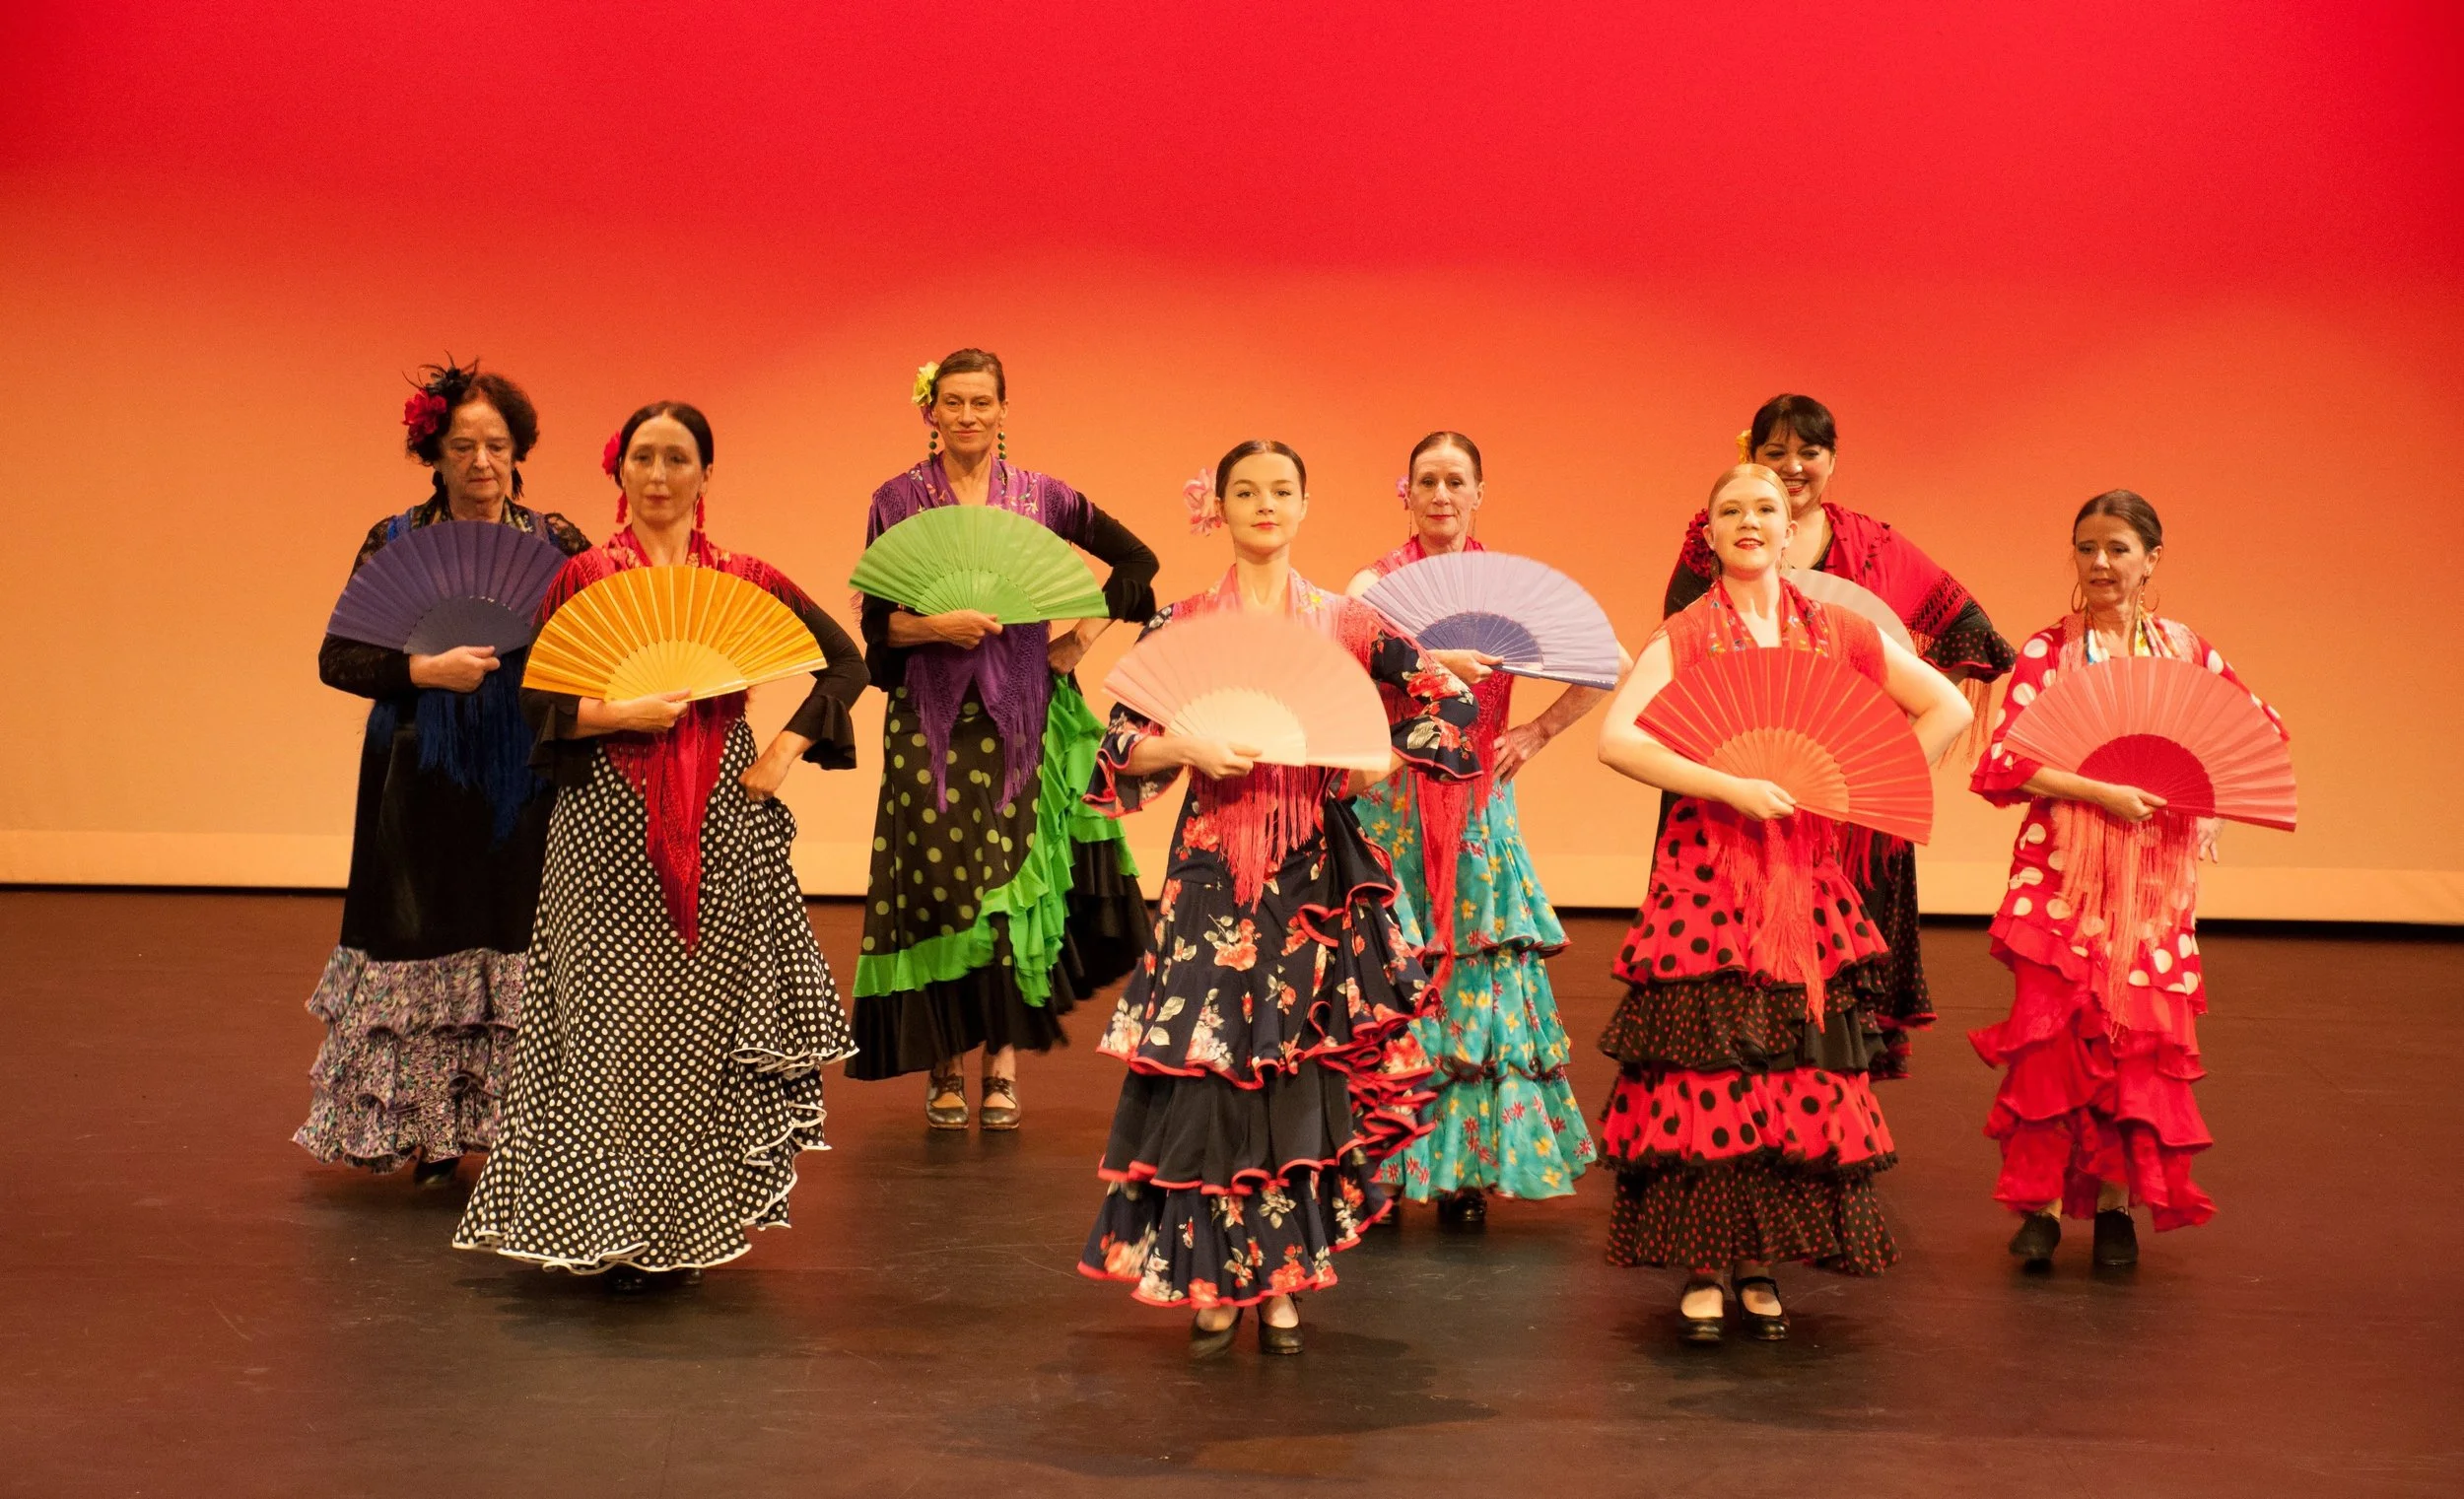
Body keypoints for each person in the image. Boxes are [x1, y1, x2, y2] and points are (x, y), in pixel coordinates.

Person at [452, 401, 867, 1290]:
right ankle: (609, 1224)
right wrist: (621, 713)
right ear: (620, 472)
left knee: (698, 1033)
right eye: (643, 456)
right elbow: (537, 698)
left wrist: (786, 754)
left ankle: (682, 1226)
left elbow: (846, 661)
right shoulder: (586, 577)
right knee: (606, 1030)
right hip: (603, 823)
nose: (658, 474)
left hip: (721, 818)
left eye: (678, 458)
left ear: (704, 475)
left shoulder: (743, 575)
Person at [1078, 440, 1480, 1354]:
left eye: (1282, 490)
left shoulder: (1345, 622)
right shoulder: (1181, 622)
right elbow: (1116, 748)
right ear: (1217, 505)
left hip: (1312, 879)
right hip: (1211, 872)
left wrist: (1370, 758)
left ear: (1306, 504)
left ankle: (1284, 1274)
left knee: (1294, 1077)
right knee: (1210, 1076)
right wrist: (1186, 749)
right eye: (1246, 491)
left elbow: (1444, 702)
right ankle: (1214, 1277)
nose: (1265, 505)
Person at [1597, 464, 1970, 1342]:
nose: (1751, 522)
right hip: (1706, 877)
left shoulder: (1835, 629)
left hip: (1804, 883)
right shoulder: (1687, 635)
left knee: (1788, 1068)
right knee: (1712, 1069)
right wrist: (1724, 783)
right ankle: (1702, 1258)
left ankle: (1759, 1256)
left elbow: (1947, 706)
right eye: (1732, 511)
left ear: (1792, 527)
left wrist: (1853, 789)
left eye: (1766, 508)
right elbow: (1619, 739)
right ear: (1710, 533)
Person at [1967, 490, 2285, 1269]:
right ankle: (2039, 1207)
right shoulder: (2049, 650)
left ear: (2151, 557)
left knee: (2134, 1044)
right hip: (2060, 875)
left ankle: (2115, 1207)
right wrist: (2097, 789)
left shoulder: (2187, 653)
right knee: (2049, 1037)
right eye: (2086, 548)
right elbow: (2005, 759)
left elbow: (2255, 730)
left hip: (2151, 887)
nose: (2100, 563)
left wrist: (2190, 777)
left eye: (2116, 548)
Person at [1661, 395, 2016, 1077]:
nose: (1793, 467)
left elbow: (1973, 630)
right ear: (1750, 458)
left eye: (1810, 452)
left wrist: (1886, 744)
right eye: (1775, 453)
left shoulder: (1874, 546)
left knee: (1840, 965)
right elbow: (1681, 649)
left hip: (1846, 799)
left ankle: (1831, 1107)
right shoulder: (1715, 533)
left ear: (1833, 461)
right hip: (1741, 784)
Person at [297, 361, 590, 1183]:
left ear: (519, 450)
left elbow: (602, 643)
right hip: (419, 770)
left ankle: (519, 1123)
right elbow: (338, 656)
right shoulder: (395, 540)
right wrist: (424, 670)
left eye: (497, 444)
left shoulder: (556, 543)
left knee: (515, 934)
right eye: (464, 445)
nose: (482, 462)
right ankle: (433, 1127)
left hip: (524, 774)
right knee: (425, 936)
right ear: (435, 451)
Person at [849, 349, 1156, 1129]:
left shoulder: (1045, 498)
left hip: (1022, 717)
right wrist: (934, 625)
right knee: (939, 886)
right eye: (953, 402)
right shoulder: (895, 500)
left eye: (982, 402)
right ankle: (944, 1062)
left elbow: (1138, 563)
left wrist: (1079, 640)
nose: (968, 416)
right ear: (931, 411)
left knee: (1009, 888)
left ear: (1003, 410)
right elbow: (877, 630)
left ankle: (1002, 1064)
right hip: (930, 721)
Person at [1343, 431, 1610, 1222]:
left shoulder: (1510, 587)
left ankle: (1460, 1170)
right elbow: (1339, 663)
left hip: (1476, 808)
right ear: (1406, 491)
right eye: (1427, 479)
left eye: (1456, 480)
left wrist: (1537, 732)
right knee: (1385, 978)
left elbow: (1608, 662)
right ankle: (1383, 1159)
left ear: (1479, 492)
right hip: (1390, 804)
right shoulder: (1374, 583)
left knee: (1475, 977)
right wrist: (1426, 662)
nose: (1441, 494)